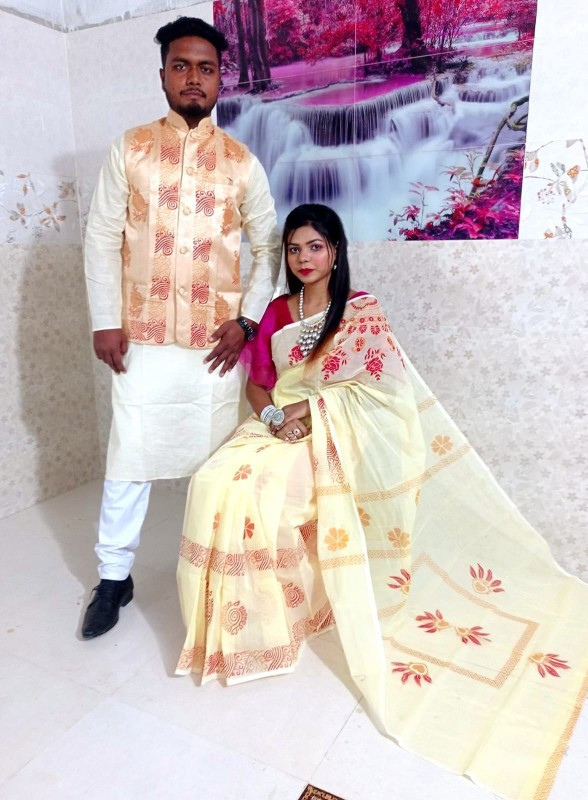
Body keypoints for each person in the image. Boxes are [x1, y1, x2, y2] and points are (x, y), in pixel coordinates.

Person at [176, 203, 588, 800]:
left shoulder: (360, 309)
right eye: (294, 248)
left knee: (264, 492)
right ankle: (246, 623)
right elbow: (258, 381)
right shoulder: (276, 312)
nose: (304, 258)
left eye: (315, 247)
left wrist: (310, 412)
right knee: (214, 482)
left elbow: (382, 391)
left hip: (338, 429)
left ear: (336, 251)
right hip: (279, 422)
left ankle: (289, 611)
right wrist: (273, 417)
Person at [81, 16, 281, 639]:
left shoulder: (241, 163)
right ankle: (113, 577)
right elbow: (101, 236)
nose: (193, 78)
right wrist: (105, 321)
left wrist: (247, 320)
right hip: (139, 338)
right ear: (163, 74)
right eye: (181, 66)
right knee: (129, 458)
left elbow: (269, 246)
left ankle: (219, 572)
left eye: (206, 68)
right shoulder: (131, 149)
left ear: (221, 79)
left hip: (214, 346)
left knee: (217, 464)